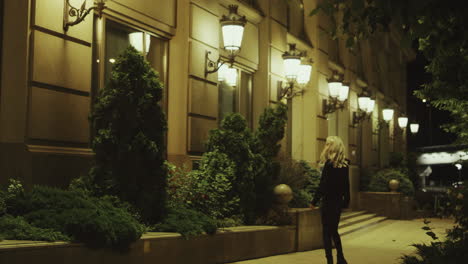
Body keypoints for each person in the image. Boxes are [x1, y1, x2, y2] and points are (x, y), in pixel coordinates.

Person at [310, 136, 350, 264]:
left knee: (327, 232)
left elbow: (323, 185)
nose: (326, 146)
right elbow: (346, 185)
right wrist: (346, 201)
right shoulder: (345, 164)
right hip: (337, 202)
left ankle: (330, 261)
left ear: (334, 147)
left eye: (328, 144)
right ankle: (341, 257)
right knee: (334, 231)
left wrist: (314, 201)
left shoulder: (328, 164)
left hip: (328, 202)